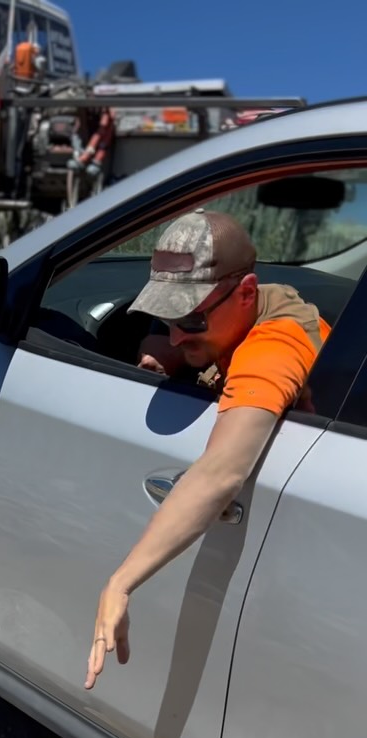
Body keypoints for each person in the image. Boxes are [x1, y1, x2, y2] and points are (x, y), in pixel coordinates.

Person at [85, 209, 330, 690]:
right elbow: (186, 338)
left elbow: (219, 473)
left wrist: (121, 582)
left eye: (191, 317)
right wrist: (186, 349)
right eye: (166, 315)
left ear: (244, 291)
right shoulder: (252, 307)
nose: (176, 333)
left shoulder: (275, 345)